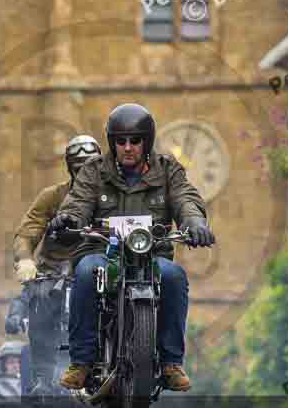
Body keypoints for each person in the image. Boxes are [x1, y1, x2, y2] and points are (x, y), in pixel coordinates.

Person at [49, 103, 215, 393]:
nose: (128, 147)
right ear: (112, 143)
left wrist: (195, 222)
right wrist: (70, 217)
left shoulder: (168, 170)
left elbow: (185, 198)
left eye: (135, 141)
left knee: (174, 276)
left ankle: (171, 363)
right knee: (86, 272)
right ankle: (82, 362)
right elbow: (78, 201)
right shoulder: (93, 171)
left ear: (146, 141)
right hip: (101, 253)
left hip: (151, 256)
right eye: (120, 141)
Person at [13, 134, 102, 392]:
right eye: (78, 165)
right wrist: (25, 259)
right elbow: (28, 230)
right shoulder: (52, 196)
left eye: (90, 164)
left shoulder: (114, 196)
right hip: (57, 271)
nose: (84, 170)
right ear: (70, 167)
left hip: (102, 267)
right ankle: (43, 377)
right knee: (40, 298)